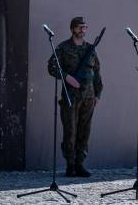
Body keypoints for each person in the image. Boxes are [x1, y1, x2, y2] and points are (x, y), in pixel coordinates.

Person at [47, 16, 102, 178]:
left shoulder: (90, 49)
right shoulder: (63, 48)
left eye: (85, 27)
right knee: (70, 130)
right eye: (79, 27)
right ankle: (70, 165)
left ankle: (80, 164)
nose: (83, 30)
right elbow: (51, 66)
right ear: (72, 29)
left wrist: (98, 94)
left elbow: (97, 73)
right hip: (71, 97)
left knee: (84, 131)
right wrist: (66, 77)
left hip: (88, 97)